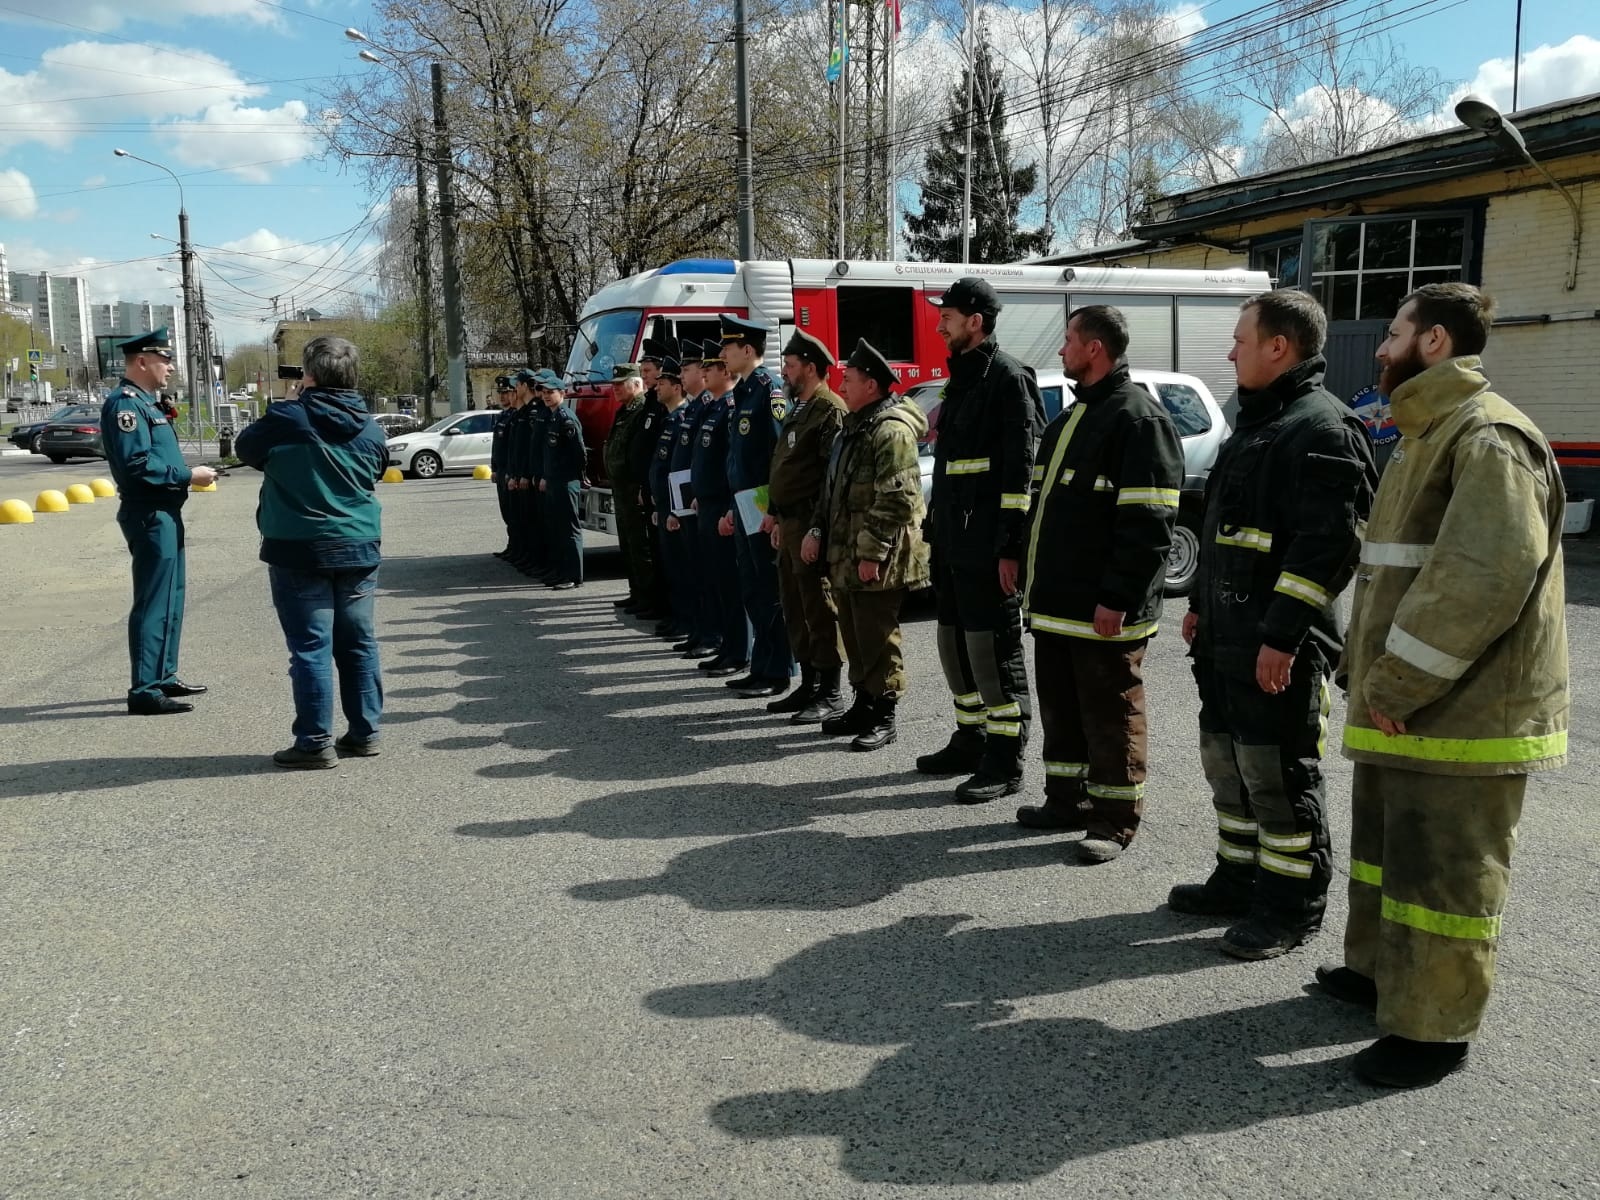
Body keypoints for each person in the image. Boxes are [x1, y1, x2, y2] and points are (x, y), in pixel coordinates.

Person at [1326, 283, 1568, 1089]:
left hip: (1461, 712)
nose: (1379, 348)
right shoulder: (1423, 432)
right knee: (1390, 858)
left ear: (1433, 342)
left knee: (1446, 877)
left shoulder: (1488, 436)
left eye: (1391, 333)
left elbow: (1481, 578)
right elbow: (1400, 571)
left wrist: (1394, 683)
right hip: (1414, 708)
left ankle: (1433, 1032)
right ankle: (1378, 978)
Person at [1170, 289, 1377, 959]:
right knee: (1227, 765)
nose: (1231, 351)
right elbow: (1223, 530)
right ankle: (1238, 878)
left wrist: (1283, 636)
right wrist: (1200, 603)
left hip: (1275, 647)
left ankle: (1289, 907)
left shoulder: (1323, 428)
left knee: (1278, 774)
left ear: (1278, 347)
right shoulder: (1259, 422)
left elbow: (1327, 548)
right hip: (1229, 637)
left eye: (1240, 339)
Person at [1015, 306, 1182, 864]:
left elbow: (1149, 525)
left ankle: (1114, 820)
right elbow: (1042, 512)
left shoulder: (1139, 420)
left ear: (1095, 350)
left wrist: (1118, 597)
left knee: (1111, 714)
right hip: (1057, 607)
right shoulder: (1068, 421)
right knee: (1062, 709)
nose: (1060, 350)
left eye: (1068, 340)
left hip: (1102, 610)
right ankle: (1066, 799)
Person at [234, 335, 389, 768]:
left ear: (311, 375)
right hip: (358, 545)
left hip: (298, 547)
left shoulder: (289, 417)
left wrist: (288, 404)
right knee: (358, 642)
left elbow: (245, 449)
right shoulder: (371, 425)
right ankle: (365, 733)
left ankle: (315, 742)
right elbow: (377, 468)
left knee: (310, 646)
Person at [918, 277, 1045, 802]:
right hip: (953, 541)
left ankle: (1004, 757)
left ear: (976, 320)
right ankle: (970, 738)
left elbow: (1019, 477)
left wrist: (1011, 548)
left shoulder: (1009, 379)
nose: (939, 321)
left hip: (988, 548)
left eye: (947, 314)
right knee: (954, 646)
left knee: (992, 651)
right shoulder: (961, 380)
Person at [803, 340, 929, 751]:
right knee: (854, 633)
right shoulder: (852, 426)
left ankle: (885, 714)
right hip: (845, 554)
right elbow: (832, 489)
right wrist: (817, 531)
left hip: (878, 558)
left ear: (871, 385)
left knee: (878, 636)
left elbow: (897, 499)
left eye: (850, 378)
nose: (842, 383)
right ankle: (863, 703)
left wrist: (872, 553)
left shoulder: (890, 431)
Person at [101, 327, 217, 715]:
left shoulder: (148, 403)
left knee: (172, 595)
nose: (169, 366)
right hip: (149, 512)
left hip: (165, 511)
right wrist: (188, 476)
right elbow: (137, 465)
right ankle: (145, 689)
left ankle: (163, 673)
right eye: (164, 359)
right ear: (142, 361)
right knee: (153, 599)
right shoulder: (126, 405)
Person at [765, 329, 847, 722]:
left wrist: (816, 529)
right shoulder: (799, 408)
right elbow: (786, 469)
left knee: (818, 606)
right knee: (795, 606)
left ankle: (831, 691)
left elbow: (830, 478)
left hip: (812, 523)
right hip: (791, 522)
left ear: (810, 368)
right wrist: (779, 515)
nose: (785, 371)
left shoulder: (829, 410)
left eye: (790, 365)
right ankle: (809, 684)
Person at [719, 314, 795, 698]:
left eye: (728, 347)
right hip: (745, 503)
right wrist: (735, 505)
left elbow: (778, 457)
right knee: (752, 588)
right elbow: (740, 460)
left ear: (748, 350)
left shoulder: (770, 390)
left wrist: (774, 510)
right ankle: (761, 665)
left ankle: (778, 669)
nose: (723, 354)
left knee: (769, 590)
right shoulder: (744, 391)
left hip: (763, 506)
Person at [692, 341, 750, 678]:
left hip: (724, 506)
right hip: (708, 503)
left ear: (723, 372)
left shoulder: (729, 408)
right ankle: (728, 646)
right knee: (717, 580)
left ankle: (739, 650)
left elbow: (734, 465)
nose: (703, 372)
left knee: (730, 582)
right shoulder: (713, 408)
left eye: (709, 368)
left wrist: (729, 505)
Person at [669, 345, 720, 658]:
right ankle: (702, 631)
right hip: (688, 501)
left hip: (703, 502)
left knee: (710, 576)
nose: (684, 376)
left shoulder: (712, 406)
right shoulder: (694, 408)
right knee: (697, 574)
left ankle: (714, 635)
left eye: (687, 370)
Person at [629, 339, 673, 629]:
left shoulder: (664, 407)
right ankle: (655, 602)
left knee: (666, 556)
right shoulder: (651, 404)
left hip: (664, 494)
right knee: (656, 553)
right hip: (649, 489)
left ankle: (665, 607)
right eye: (642, 371)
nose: (643, 376)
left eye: (647, 371)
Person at [648, 353, 694, 629]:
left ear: (676, 387)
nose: (656, 387)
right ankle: (679, 617)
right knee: (672, 566)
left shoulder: (682, 418)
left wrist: (676, 508)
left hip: (678, 505)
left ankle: (687, 620)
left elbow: (682, 469)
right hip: (665, 504)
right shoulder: (670, 419)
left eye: (662, 383)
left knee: (683, 566)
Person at [604, 364, 654, 613]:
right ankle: (636, 592)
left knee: (640, 544)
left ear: (635, 384)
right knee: (628, 544)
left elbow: (640, 453)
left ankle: (647, 597)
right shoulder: (624, 411)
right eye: (613, 384)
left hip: (633, 488)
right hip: (621, 488)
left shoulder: (641, 409)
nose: (614, 389)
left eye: (619, 384)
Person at [534, 370, 585, 589]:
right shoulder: (553, 417)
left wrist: (576, 477)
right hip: (554, 480)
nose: (546, 396)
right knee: (557, 529)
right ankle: (562, 572)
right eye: (544, 392)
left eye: (551, 392)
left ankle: (574, 576)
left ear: (562, 393)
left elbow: (579, 453)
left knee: (569, 530)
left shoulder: (566, 419)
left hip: (565, 481)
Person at [489, 375, 516, 559]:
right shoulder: (502, 416)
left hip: (511, 470)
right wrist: (494, 468)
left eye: (506, 392)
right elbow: (496, 446)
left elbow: (514, 449)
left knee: (515, 513)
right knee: (506, 511)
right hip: (502, 471)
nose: (502, 396)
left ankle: (518, 548)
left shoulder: (515, 416)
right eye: (500, 393)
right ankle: (512, 546)